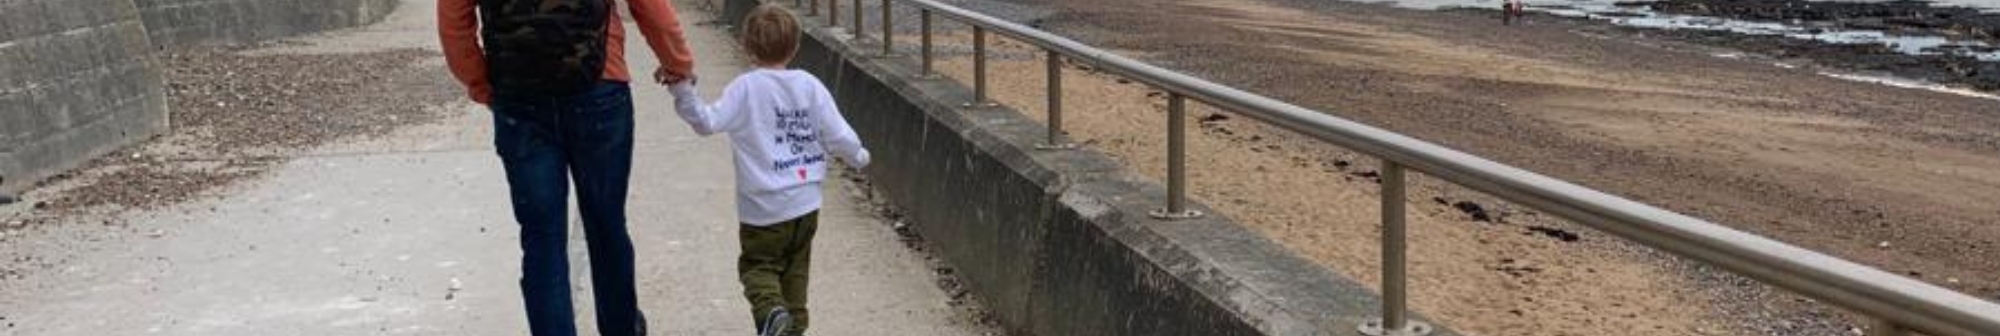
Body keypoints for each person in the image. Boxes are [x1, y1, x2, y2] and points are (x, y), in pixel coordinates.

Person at [436, 0, 694, 335]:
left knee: (542, 238)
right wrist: (678, 62)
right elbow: (649, 6)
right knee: (607, 225)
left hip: (519, 95)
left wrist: (481, 83)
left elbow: (453, 20)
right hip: (601, 83)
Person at [664, 4, 869, 336]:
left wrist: (683, 90)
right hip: (805, 205)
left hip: (763, 208)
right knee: (795, 276)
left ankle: (771, 311)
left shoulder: (745, 88)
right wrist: (858, 155)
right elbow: (837, 133)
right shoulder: (809, 85)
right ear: (795, 46)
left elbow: (706, 122)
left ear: (747, 47)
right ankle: (792, 325)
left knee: (758, 269)